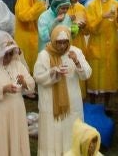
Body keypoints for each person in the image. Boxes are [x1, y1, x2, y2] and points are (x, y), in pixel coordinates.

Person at [35, 24, 93, 156]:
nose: (62, 46)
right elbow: (37, 77)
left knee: (71, 130)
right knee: (53, 131)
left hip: (72, 102)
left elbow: (86, 74)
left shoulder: (75, 52)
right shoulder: (44, 55)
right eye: (59, 42)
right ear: (53, 40)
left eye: (65, 42)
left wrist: (77, 62)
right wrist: (53, 72)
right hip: (51, 103)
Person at [0, 30, 34, 156]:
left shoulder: (17, 64)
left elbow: (31, 84)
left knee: (16, 136)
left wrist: (24, 82)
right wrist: (3, 89)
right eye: (5, 54)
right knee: (0, 139)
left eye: (11, 53)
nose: (9, 57)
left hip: (17, 110)